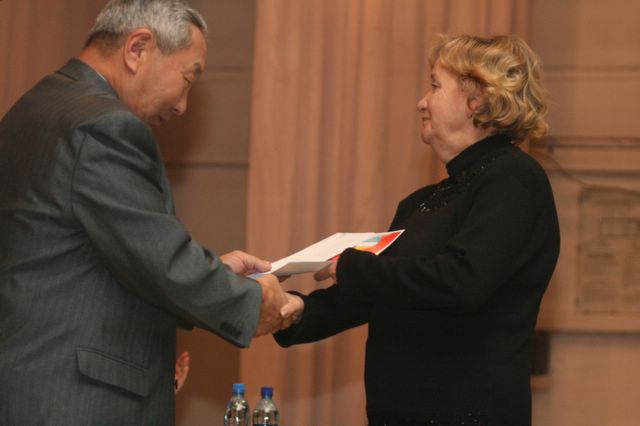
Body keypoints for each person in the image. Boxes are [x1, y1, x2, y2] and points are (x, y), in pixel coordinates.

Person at [0, 0, 296, 424]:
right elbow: (162, 262)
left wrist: (213, 271)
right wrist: (252, 303)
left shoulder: (36, 108)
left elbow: (92, 257)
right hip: (75, 400)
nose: (183, 106)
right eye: (188, 79)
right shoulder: (102, 125)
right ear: (137, 49)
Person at [276, 34, 560, 426]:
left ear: (477, 100)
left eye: (434, 86)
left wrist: (352, 267)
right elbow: (376, 293)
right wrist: (292, 310)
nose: (421, 102)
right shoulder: (422, 202)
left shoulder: (513, 179)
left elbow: (462, 280)